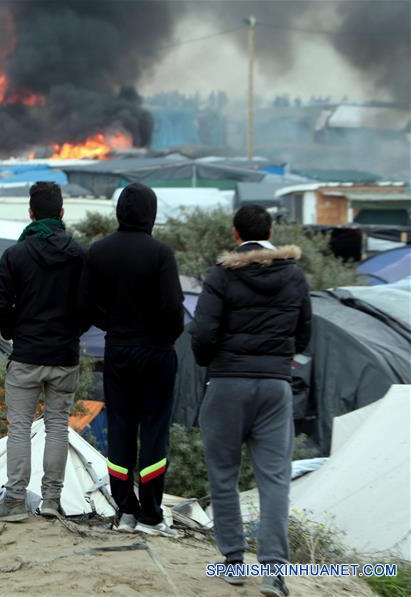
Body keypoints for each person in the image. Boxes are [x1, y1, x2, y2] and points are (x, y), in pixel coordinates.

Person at [191, 204, 311, 597]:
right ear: (272, 230)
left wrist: (214, 363)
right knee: (275, 478)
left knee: (224, 474)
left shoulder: (222, 275)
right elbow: (306, 333)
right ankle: (274, 571)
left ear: (235, 234)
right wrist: (283, 361)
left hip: (228, 383)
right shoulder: (294, 275)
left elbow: (203, 332)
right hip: (275, 386)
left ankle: (233, 562)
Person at [81, 182, 184, 537]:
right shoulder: (160, 253)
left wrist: (115, 327)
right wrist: (164, 337)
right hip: (156, 352)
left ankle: (125, 508)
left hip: (118, 349)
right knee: (154, 431)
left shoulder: (99, 251)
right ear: (151, 214)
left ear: (119, 211)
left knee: (121, 428)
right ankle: (152, 513)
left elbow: (88, 305)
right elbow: (173, 310)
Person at [0, 181, 87, 520]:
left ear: (30, 214)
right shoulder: (78, 255)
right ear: (61, 213)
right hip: (64, 356)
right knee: (57, 426)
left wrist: (13, 329)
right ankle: (51, 501)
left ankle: (14, 501)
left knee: (19, 428)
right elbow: (89, 304)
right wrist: (73, 331)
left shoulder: (16, 254)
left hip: (27, 355)